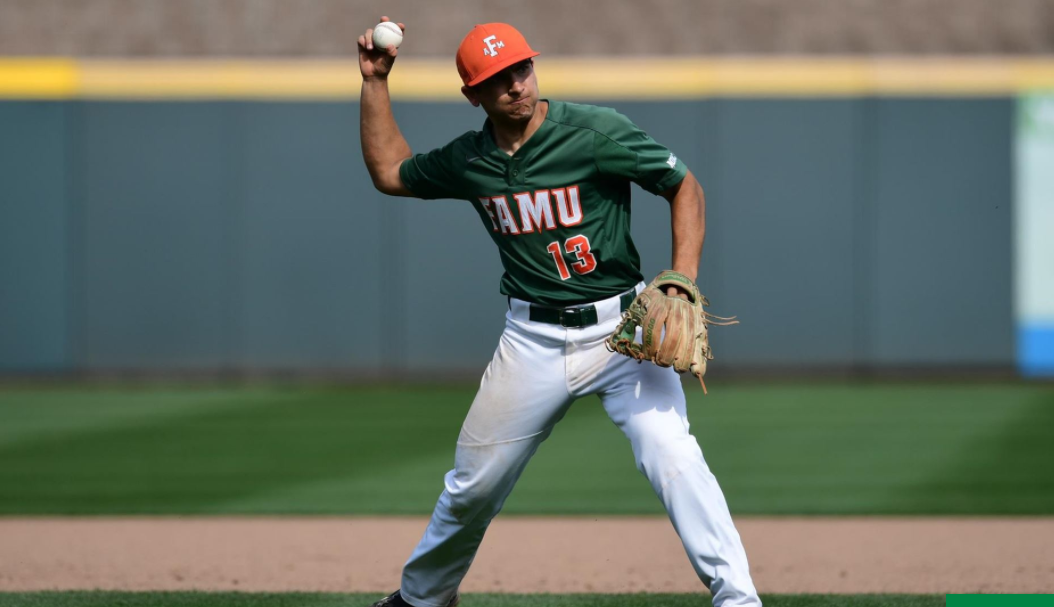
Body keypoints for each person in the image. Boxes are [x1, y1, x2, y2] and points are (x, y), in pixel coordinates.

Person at [358, 17, 762, 607]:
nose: (517, 85)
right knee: (473, 487)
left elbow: (683, 185)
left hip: (624, 333)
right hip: (531, 340)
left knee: (672, 455)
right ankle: (422, 599)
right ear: (474, 95)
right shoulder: (470, 160)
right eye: (498, 79)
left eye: (522, 67)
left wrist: (680, 281)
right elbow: (391, 172)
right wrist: (374, 81)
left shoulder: (593, 131)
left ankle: (738, 600)